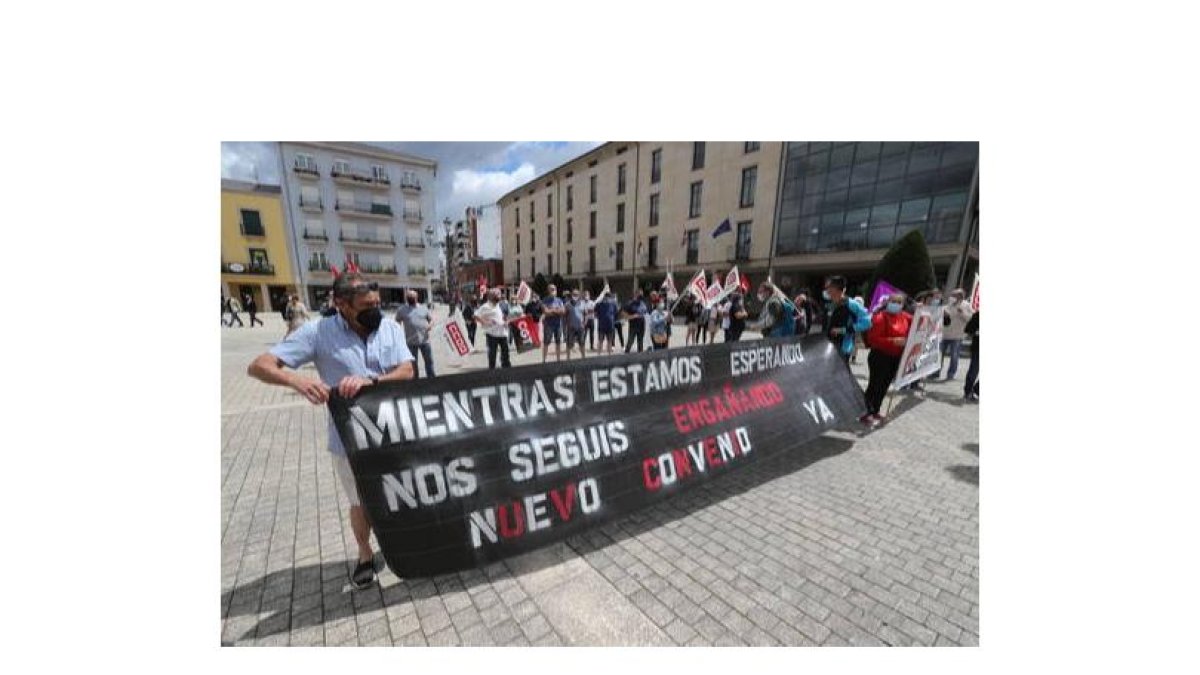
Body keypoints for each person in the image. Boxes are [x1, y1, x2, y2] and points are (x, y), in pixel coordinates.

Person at [246, 274, 414, 590]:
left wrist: (373, 381)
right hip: (349, 439)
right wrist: (299, 381)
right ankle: (366, 556)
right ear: (341, 304)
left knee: (401, 492)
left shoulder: (389, 327)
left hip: (396, 431)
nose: (375, 310)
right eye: (366, 305)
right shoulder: (317, 333)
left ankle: (401, 545)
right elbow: (259, 365)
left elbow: (407, 370)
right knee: (359, 501)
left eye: (377, 304)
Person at [862, 292, 913, 426]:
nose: (896, 305)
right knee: (874, 385)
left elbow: (919, 320)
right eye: (893, 301)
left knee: (884, 386)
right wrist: (893, 341)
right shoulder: (880, 317)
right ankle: (865, 412)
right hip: (879, 356)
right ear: (887, 303)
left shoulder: (904, 317)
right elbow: (872, 339)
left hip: (894, 357)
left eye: (899, 302)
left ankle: (875, 410)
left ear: (903, 305)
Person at [823, 276, 871, 364]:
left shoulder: (852, 304)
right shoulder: (829, 304)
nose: (827, 290)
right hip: (828, 346)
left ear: (836, 288)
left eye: (829, 287)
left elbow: (867, 322)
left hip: (843, 348)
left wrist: (844, 330)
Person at [395, 290, 435, 378]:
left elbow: (431, 319)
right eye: (409, 297)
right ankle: (416, 381)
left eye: (412, 297)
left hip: (425, 340)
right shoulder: (402, 310)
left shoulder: (423, 308)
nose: (410, 299)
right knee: (413, 364)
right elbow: (397, 322)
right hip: (410, 342)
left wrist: (430, 325)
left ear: (416, 298)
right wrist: (398, 334)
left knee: (429, 361)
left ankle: (432, 379)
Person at [938, 288, 974, 381]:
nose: (952, 297)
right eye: (952, 295)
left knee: (954, 356)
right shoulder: (948, 305)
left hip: (957, 335)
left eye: (954, 295)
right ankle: (936, 372)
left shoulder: (966, 305)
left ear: (960, 297)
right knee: (939, 354)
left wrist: (962, 313)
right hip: (945, 334)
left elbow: (970, 319)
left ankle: (951, 374)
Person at [476, 289, 512, 369]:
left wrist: (507, 321)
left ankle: (506, 369)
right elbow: (476, 315)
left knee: (505, 354)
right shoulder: (486, 306)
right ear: (491, 296)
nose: (498, 297)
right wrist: (485, 322)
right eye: (496, 295)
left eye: (499, 295)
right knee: (492, 355)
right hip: (492, 335)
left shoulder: (503, 305)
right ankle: (492, 372)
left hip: (503, 333)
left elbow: (508, 316)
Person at [540, 285, 566, 363]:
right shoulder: (544, 300)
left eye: (554, 289)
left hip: (558, 324)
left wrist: (551, 310)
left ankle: (558, 359)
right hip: (548, 325)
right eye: (551, 289)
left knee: (558, 342)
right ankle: (544, 360)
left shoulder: (559, 300)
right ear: (548, 290)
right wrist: (556, 310)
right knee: (546, 342)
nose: (553, 291)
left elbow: (563, 311)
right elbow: (546, 312)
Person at [564, 289, 587, 360]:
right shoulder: (567, 304)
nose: (575, 296)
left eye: (577, 295)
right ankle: (568, 358)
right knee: (569, 344)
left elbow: (586, 314)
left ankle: (583, 357)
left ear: (579, 295)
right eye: (574, 294)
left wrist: (584, 323)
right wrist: (566, 325)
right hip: (571, 327)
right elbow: (565, 315)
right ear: (571, 295)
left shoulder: (582, 303)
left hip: (580, 327)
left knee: (582, 343)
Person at [963, 310, 979, 402]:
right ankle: (968, 391)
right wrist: (977, 331)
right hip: (978, 348)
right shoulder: (978, 315)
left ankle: (976, 390)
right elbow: (968, 329)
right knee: (974, 370)